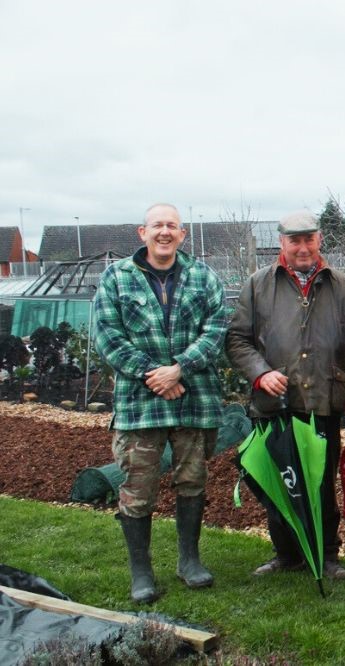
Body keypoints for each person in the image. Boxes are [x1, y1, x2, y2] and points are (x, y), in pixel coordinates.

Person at [94, 203, 226, 603]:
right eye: (157, 225)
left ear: (182, 235)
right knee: (137, 488)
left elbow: (217, 328)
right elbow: (107, 337)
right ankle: (141, 572)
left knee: (192, 481)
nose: (164, 232)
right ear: (142, 233)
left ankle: (189, 561)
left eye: (172, 226)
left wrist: (180, 368)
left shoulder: (204, 277)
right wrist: (157, 374)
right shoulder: (115, 279)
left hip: (194, 401)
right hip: (140, 404)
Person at [226, 210, 345, 580]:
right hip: (275, 404)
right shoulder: (258, 285)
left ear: (319, 240)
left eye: (309, 239)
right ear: (282, 242)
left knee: (321, 483)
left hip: (324, 401)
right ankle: (287, 554)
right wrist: (260, 372)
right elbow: (237, 340)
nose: (303, 247)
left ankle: (327, 555)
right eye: (294, 240)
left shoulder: (340, 285)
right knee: (281, 482)